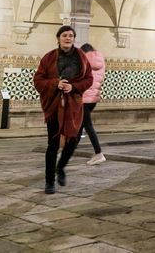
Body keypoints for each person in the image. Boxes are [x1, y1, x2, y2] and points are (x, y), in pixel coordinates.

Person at [33, 25, 92, 194]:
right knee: (53, 144)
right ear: (58, 38)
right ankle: (49, 181)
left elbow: (89, 79)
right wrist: (55, 84)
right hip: (54, 105)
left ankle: (61, 167)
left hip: (74, 104)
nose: (68, 38)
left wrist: (73, 87)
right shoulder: (49, 57)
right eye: (65, 35)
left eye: (71, 36)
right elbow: (38, 80)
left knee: (73, 140)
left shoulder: (81, 57)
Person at [80, 43, 107, 165]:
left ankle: (99, 153)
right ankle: (66, 153)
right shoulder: (100, 60)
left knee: (87, 126)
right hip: (93, 99)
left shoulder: (84, 60)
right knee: (79, 126)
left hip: (84, 98)